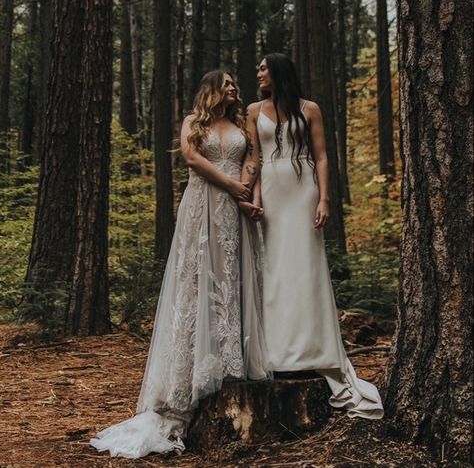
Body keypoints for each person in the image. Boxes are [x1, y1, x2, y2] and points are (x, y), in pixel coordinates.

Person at [90, 71, 269, 459]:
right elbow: (190, 158)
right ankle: (192, 371)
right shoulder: (194, 121)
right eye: (227, 83)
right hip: (202, 204)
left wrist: (247, 191)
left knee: (231, 278)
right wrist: (231, 184)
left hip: (234, 208)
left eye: (236, 83)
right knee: (198, 278)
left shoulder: (240, 125)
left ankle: (232, 357)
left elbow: (253, 159)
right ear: (210, 90)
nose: (235, 88)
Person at [240, 53, 383, 419]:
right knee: (271, 270)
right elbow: (255, 158)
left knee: (305, 268)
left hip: (302, 189)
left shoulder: (310, 108)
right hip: (271, 189)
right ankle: (277, 353)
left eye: (263, 67)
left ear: (278, 71)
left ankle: (311, 350)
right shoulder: (254, 110)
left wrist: (324, 197)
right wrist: (254, 199)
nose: (258, 73)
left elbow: (321, 156)